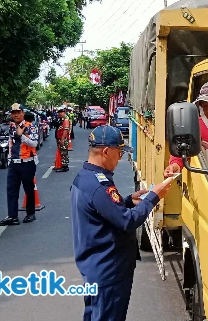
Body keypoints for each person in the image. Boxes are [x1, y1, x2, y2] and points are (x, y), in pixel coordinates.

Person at [71, 125, 172, 321]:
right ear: (106, 151)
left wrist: (127, 200)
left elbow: (103, 210)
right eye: (119, 152)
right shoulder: (99, 185)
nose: (120, 158)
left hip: (96, 268)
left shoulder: (86, 178)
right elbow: (128, 221)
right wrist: (154, 196)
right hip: (108, 271)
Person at [0, 103, 39, 226]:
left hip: (27, 163)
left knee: (28, 189)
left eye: (18, 112)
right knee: (11, 190)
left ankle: (30, 213)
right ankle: (12, 216)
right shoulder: (11, 127)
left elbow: (34, 144)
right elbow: (11, 142)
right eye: (13, 113)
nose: (15, 115)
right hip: (14, 163)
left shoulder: (30, 127)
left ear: (22, 113)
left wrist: (22, 136)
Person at [55, 105, 71, 172]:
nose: (60, 113)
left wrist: (62, 139)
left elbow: (65, 130)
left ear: (64, 112)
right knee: (62, 152)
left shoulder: (66, 120)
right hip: (59, 138)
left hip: (63, 139)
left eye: (61, 112)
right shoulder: (60, 120)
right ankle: (63, 165)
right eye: (59, 112)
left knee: (64, 153)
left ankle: (65, 167)